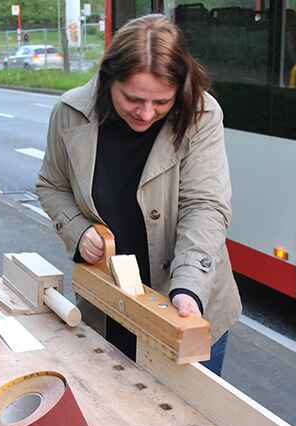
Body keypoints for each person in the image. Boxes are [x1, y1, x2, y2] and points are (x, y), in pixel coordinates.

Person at [37, 14, 241, 376]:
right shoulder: (70, 114)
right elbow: (51, 186)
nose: (146, 114)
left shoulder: (202, 115)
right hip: (108, 303)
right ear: (108, 79)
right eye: (132, 98)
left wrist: (189, 289)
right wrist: (77, 230)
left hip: (185, 307)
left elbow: (205, 207)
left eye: (161, 102)